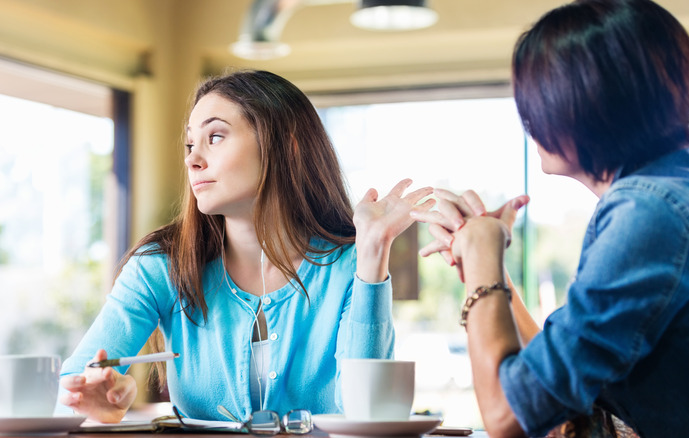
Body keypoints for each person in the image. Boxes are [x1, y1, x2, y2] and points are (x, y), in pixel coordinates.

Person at [412, 0, 689, 437]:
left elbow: (507, 415)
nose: (529, 121)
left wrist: (481, 251)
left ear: (585, 103)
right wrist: (487, 264)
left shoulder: (648, 216)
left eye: (536, 100)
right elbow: (553, 379)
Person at [58, 69, 434, 424]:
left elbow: (367, 412)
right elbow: (77, 378)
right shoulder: (160, 265)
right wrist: (92, 395)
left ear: (288, 145)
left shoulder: (349, 267)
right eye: (190, 143)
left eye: (215, 137)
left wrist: (371, 255)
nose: (192, 158)